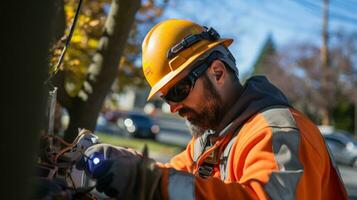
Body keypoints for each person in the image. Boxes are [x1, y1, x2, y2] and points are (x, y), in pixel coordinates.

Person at [79, 19, 348, 200]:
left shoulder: (278, 132)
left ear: (217, 72)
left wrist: (148, 183)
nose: (172, 107)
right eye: (165, 97)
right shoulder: (212, 141)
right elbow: (169, 171)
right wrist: (123, 160)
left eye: (177, 91)